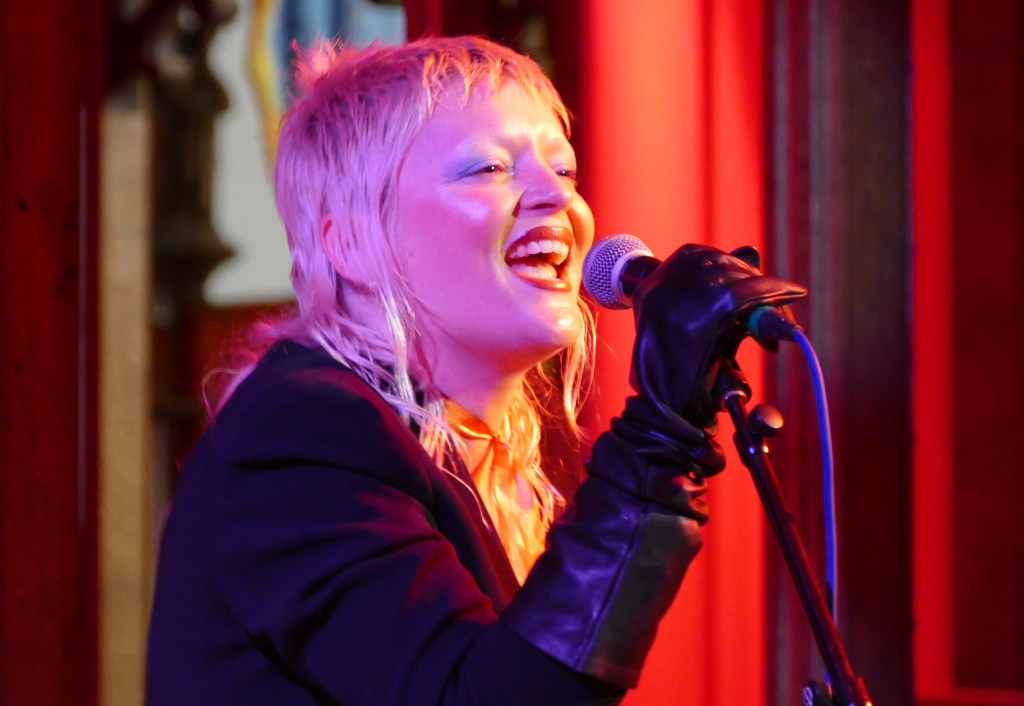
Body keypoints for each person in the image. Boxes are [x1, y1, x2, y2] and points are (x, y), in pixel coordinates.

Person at [146, 35, 803, 706]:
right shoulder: (304, 432)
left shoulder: (472, 453)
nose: (556, 196)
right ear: (350, 241)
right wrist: (661, 436)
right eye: (490, 168)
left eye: (565, 169)